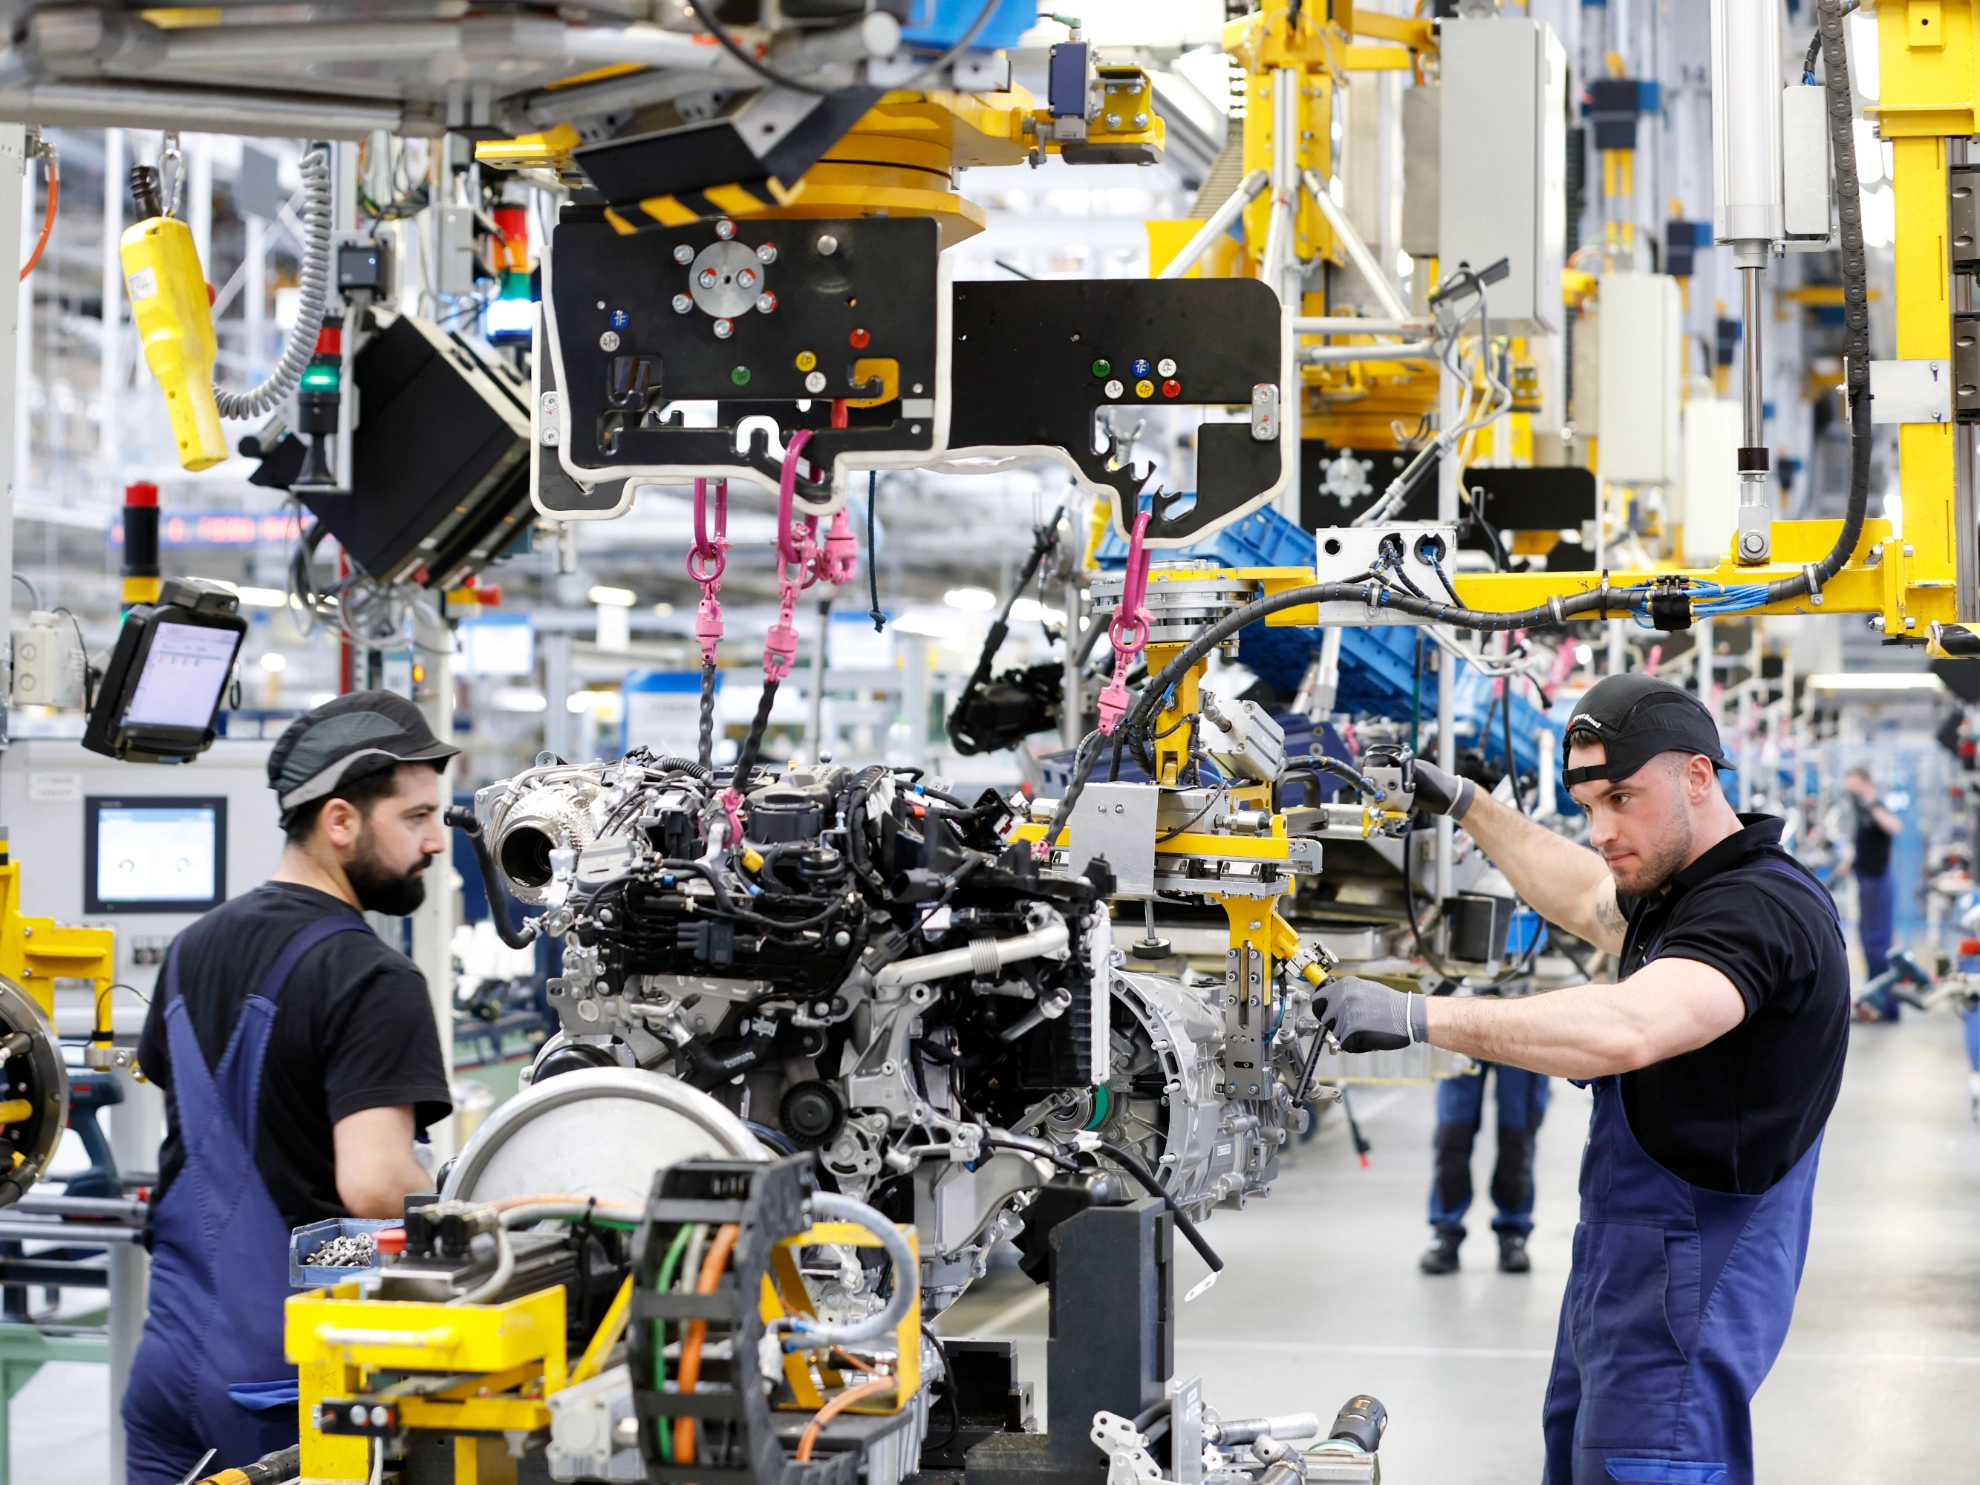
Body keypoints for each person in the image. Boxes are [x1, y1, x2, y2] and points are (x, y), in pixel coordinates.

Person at [1319, 674, 1848, 1485]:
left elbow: (1628, 1026)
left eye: (1622, 799)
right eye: (1589, 805)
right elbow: (1580, 894)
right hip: (1627, 1277)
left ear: (1697, 776)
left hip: (1685, 1296)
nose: (1602, 830)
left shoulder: (1759, 909)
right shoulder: (1683, 890)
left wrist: (1418, 1015)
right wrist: (1465, 801)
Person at [123, 692, 458, 1484]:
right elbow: (374, 1185)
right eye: (415, 816)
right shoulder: (374, 976)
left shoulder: (190, 948)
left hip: (167, 1368)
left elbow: (204, 1135)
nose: (437, 839)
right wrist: (483, 1214)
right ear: (340, 820)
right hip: (282, 1384)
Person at [1419, 1059, 1549, 1274]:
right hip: (1461, 1041)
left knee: (1517, 1135)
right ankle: (1446, 1231)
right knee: (1453, 1132)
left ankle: (1513, 1233)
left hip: (1523, 1039)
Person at [1842, 766, 1902, 1017]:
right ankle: (1874, 1001)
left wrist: (1871, 804)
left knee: (1878, 946)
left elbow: (1895, 827)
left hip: (1879, 883)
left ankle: (1886, 1007)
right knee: (1867, 943)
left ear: (1867, 785)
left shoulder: (1877, 807)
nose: (1851, 795)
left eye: (1855, 789)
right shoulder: (1861, 813)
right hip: (1866, 883)